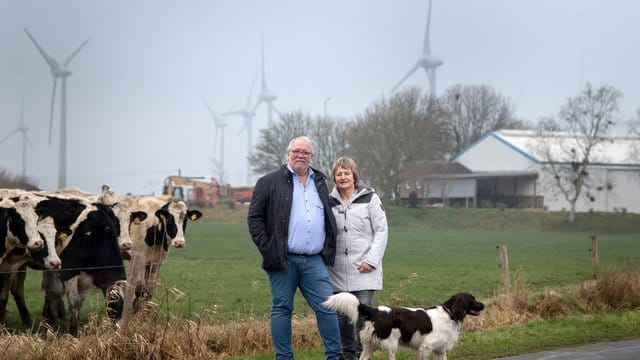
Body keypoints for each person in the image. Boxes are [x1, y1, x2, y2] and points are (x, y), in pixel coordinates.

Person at [247, 136, 342, 360]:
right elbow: (254, 218)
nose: (301, 155)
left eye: (305, 152)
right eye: (296, 151)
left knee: (328, 307)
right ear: (287, 154)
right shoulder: (268, 181)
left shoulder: (319, 182)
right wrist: (268, 248)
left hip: (314, 260)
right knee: (282, 308)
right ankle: (284, 358)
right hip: (282, 259)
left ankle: (335, 357)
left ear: (312, 157)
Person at [328, 156, 388, 360]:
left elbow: (381, 230)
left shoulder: (370, 198)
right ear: (334, 178)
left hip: (364, 269)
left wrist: (371, 260)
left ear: (354, 175)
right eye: (339, 174)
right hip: (337, 271)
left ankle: (362, 354)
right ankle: (347, 354)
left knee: (363, 317)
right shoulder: (329, 201)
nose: (343, 177)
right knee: (343, 317)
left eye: (346, 173)